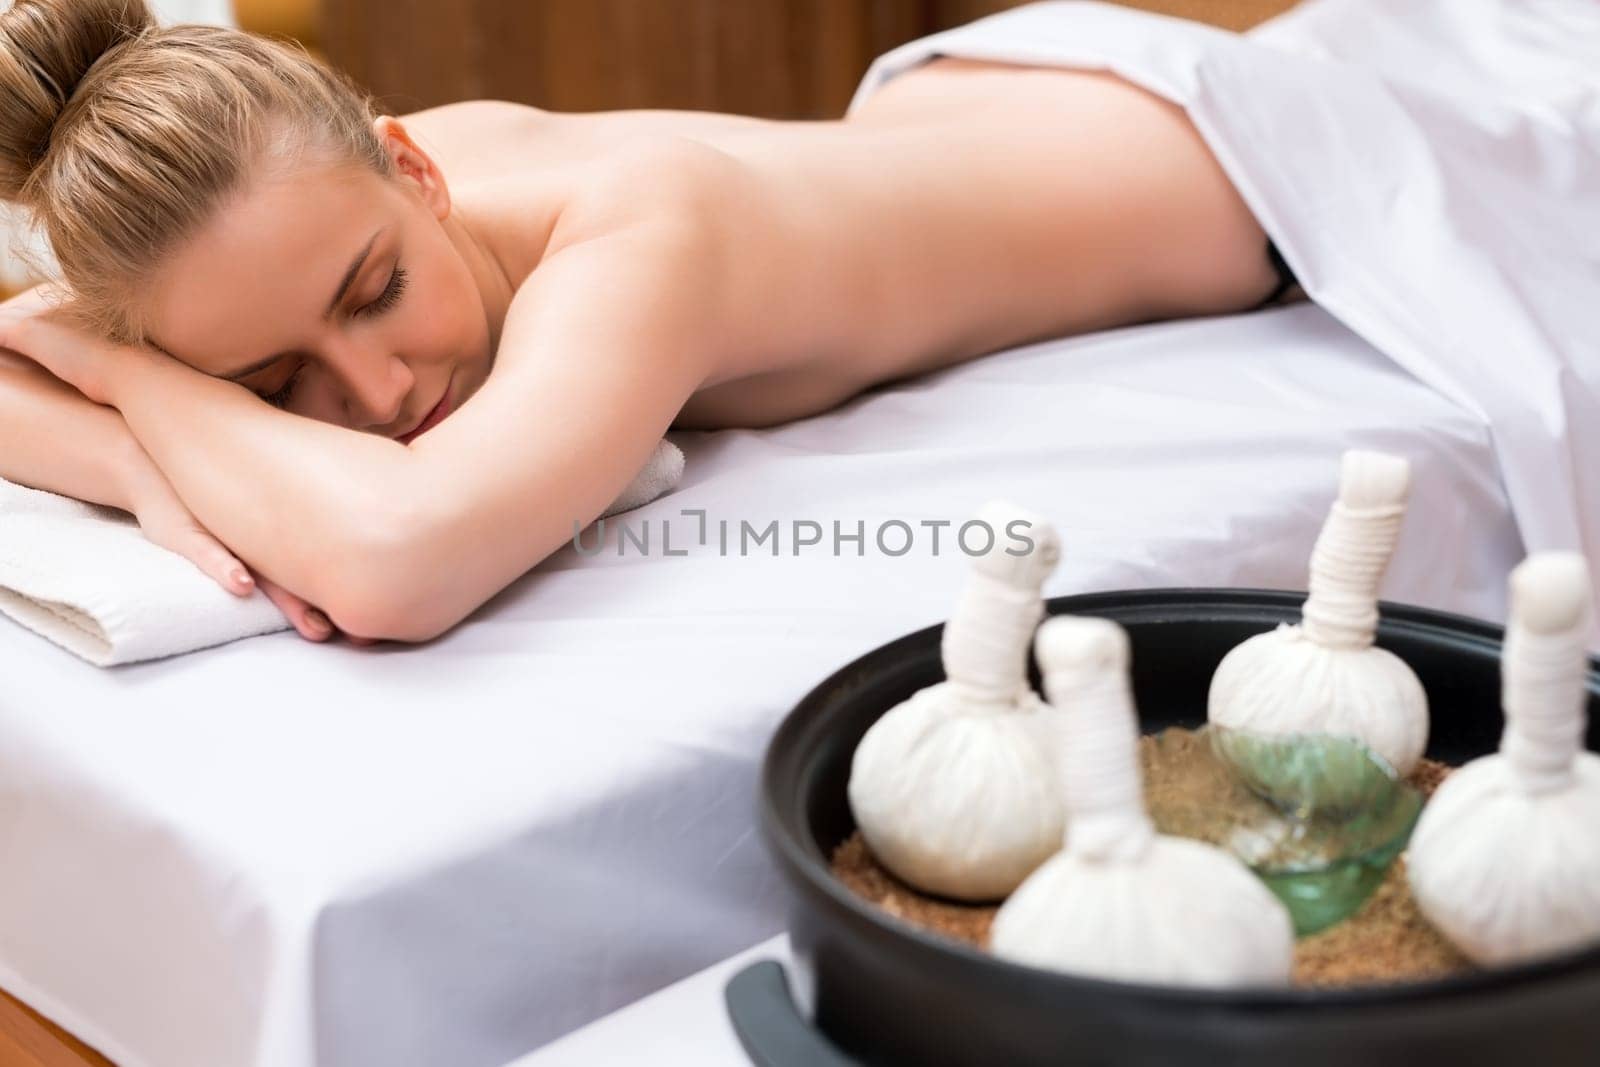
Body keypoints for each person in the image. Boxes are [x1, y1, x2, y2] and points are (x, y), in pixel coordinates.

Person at [0, 0, 1300, 645]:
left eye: (377, 293)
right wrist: (128, 454)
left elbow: (400, 563)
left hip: (1233, 168)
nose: (380, 391)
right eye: (277, 378)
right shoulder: (310, 209)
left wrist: (132, 381)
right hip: (971, 99)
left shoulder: (642, 233)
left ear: (416, 171)